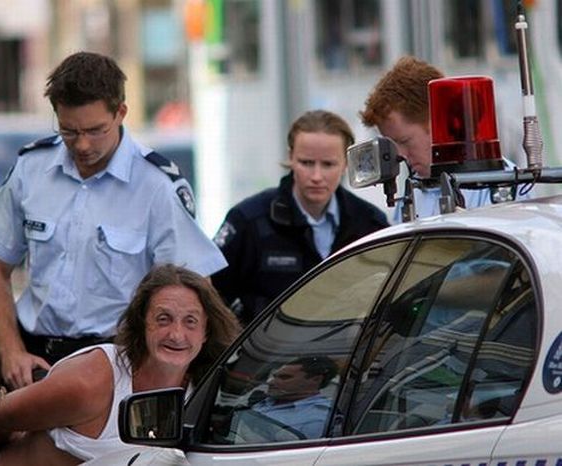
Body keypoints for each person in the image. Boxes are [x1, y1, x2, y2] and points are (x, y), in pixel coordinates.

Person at [0, 51, 227, 390]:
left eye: (96, 130)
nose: (81, 145)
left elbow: (194, 290)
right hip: (37, 361)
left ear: (121, 112)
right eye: (68, 131)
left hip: (115, 366)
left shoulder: (157, 186)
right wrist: (10, 351)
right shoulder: (32, 168)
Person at [0, 264, 240, 465]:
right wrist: (4, 435)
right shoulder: (91, 381)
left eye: (190, 321)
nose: (177, 334)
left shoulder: (208, 394)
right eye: (163, 319)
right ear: (141, 324)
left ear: (206, 331)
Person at [211, 110, 389, 325]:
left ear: (345, 164)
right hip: (263, 354)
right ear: (291, 158)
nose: (316, 176)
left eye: (328, 164)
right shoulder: (248, 220)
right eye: (306, 163)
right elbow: (211, 294)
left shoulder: (369, 224)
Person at [360, 56, 526, 222]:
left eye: (404, 141)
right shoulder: (414, 189)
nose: (400, 155)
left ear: (437, 124)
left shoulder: (502, 185)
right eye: (392, 145)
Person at [250, 357, 338, 440]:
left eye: (284, 377)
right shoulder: (264, 400)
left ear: (316, 380)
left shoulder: (318, 418)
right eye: (274, 376)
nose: (270, 382)